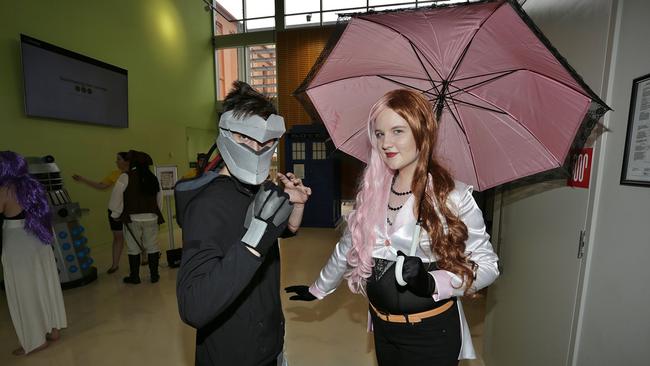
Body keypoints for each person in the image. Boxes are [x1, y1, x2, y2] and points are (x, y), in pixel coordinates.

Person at [285, 89, 499, 366]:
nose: (386, 143)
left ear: (422, 133)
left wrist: (432, 281)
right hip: (383, 328)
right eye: (379, 133)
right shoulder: (374, 192)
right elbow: (348, 246)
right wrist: (318, 288)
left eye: (398, 131)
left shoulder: (453, 197)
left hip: (432, 334)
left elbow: (488, 265)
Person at [176, 81, 311, 366]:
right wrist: (254, 241)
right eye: (244, 138)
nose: (256, 148)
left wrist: (295, 208)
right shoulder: (207, 205)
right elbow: (193, 306)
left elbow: (279, 231)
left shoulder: (253, 188)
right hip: (233, 354)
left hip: (269, 344)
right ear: (226, 134)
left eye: (265, 142)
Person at [0, 151, 67, 356]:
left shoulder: (4, 190)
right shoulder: (33, 186)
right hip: (38, 239)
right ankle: (53, 329)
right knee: (45, 283)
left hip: (18, 243)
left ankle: (36, 340)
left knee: (24, 291)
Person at [72, 152, 145, 273]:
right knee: (118, 237)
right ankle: (114, 264)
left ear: (126, 161)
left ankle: (144, 256)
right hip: (116, 210)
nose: (116, 162)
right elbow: (101, 186)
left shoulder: (136, 173)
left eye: (118, 159)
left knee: (137, 234)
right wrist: (83, 179)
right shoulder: (114, 174)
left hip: (132, 210)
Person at [108, 150, 164, 284]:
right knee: (152, 246)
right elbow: (159, 198)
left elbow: (116, 198)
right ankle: (154, 275)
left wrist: (116, 214)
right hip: (151, 217)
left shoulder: (125, 177)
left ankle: (135, 276)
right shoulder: (153, 177)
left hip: (133, 218)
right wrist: (155, 213)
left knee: (133, 248)